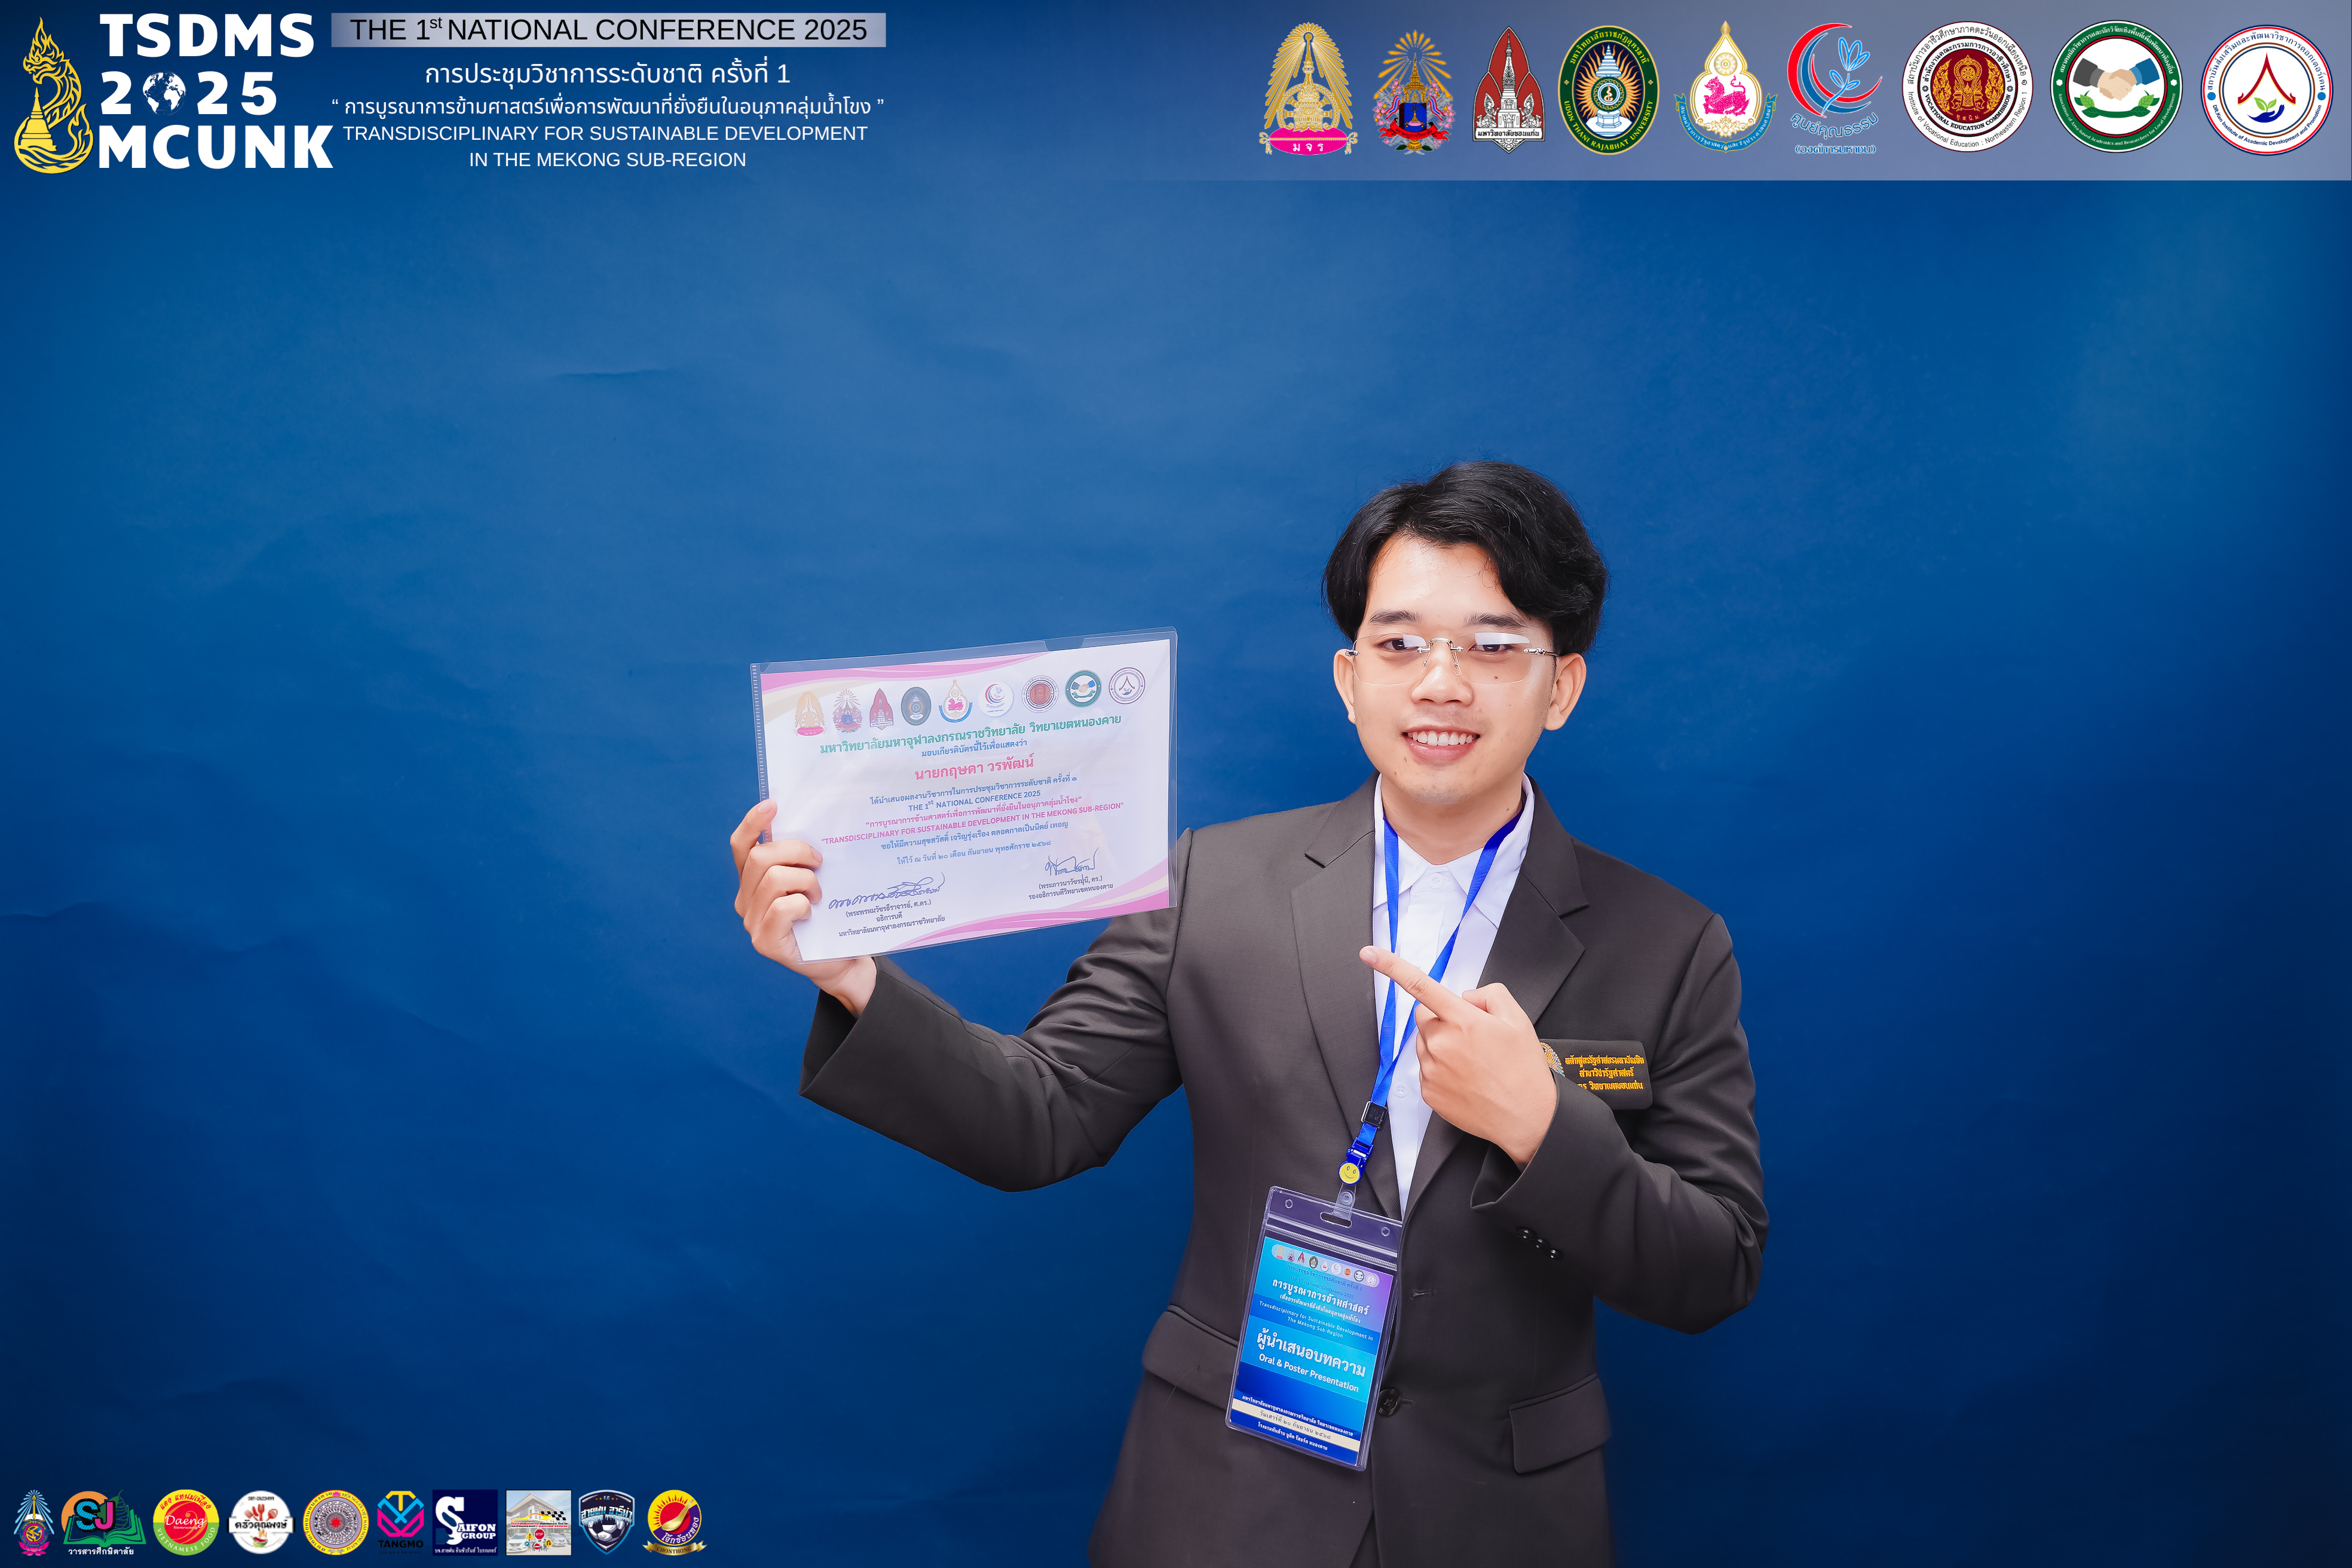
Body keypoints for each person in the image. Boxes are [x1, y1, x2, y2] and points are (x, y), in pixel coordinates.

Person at [729, 461, 1766, 1567]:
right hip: (1226, 1506)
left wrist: (1543, 1126)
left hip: (1501, 1523)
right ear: (1349, 679)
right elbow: (1039, 1117)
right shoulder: (1208, 885)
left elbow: (1715, 1267)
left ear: (1561, 688)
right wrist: (853, 978)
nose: (1441, 683)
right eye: (1400, 644)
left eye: (1492, 646)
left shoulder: (1670, 943)